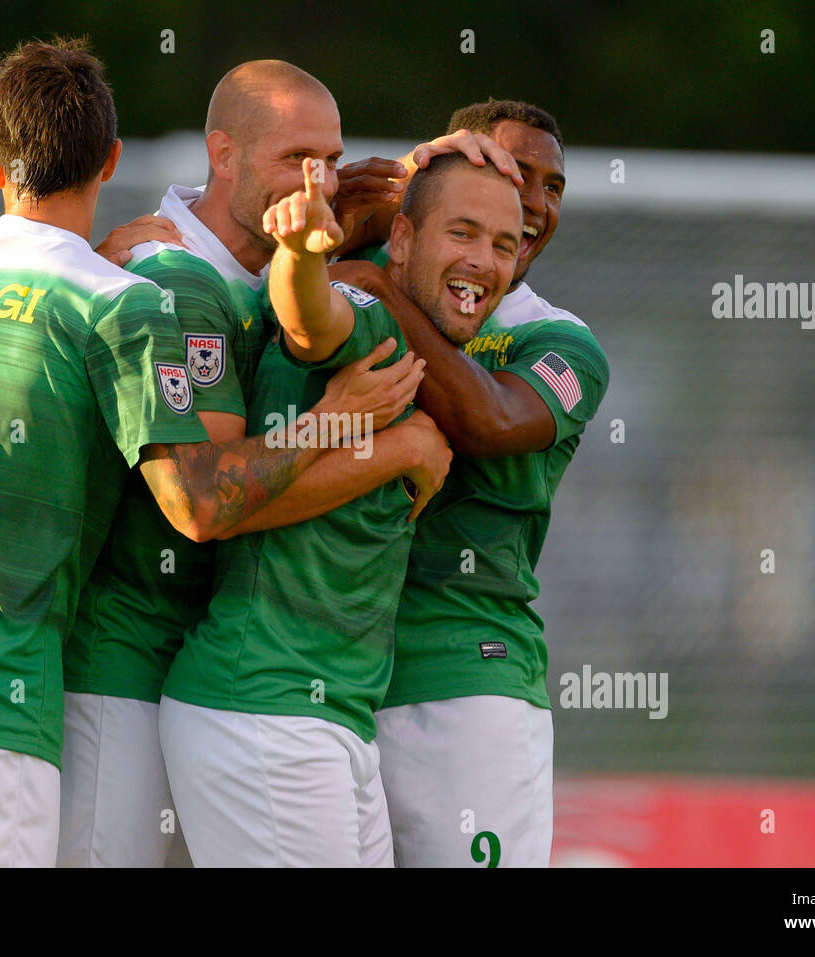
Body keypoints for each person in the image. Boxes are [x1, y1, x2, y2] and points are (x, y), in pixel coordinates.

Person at [0, 38, 370, 867]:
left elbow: (13, 312)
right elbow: (198, 504)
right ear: (111, 159)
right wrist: (338, 419)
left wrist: (90, 262)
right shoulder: (121, 302)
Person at [57, 59, 441, 868]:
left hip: (196, 679)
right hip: (120, 673)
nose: (322, 182)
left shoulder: (264, 268)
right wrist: (352, 433)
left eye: (333, 159)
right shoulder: (174, 281)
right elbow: (202, 504)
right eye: (297, 158)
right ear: (222, 153)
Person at [159, 152, 522, 867]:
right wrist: (299, 253)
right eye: (463, 232)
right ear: (406, 241)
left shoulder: (433, 353)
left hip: (329, 717)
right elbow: (309, 318)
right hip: (264, 707)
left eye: (503, 244)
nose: (483, 260)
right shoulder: (371, 319)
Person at [329, 99, 610, 867]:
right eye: (517, 171)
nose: (536, 201)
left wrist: (378, 288)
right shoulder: (370, 278)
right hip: (332, 676)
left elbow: (488, 419)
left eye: (554, 186)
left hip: (465, 678)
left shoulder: (558, 339)